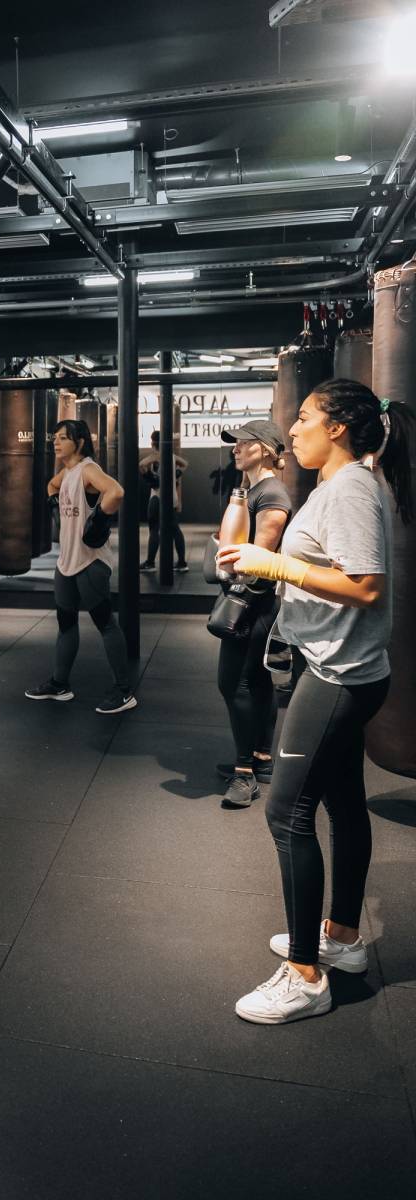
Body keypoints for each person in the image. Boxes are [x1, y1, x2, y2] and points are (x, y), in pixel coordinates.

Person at [217, 379, 413, 1024]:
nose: (292, 429)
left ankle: (305, 975)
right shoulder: (340, 486)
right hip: (339, 666)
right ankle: (344, 939)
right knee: (343, 802)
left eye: (302, 418)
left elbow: (365, 585)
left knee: (287, 814)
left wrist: (277, 568)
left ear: (336, 428)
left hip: (337, 674)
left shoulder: (352, 487)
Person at [25, 418, 136, 714]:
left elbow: (117, 492)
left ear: (81, 442)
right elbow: (51, 484)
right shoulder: (67, 472)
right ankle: (59, 684)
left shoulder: (88, 469)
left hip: (90, 562)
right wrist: (52, 503)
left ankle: (124, 691)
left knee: (105, 624)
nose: (56, 442)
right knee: (66, 624)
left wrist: (99, 519)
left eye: (63, 438)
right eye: (55, 438)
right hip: (66, 562)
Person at [213, 420, 292, 810]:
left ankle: (244, 775)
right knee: (256, 684)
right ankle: (260, 759)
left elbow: (255, 564)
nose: (235, 449)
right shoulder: (252, 490)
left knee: (234, 684)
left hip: (255, 604)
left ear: (263, 448)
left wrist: (227, 563)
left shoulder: (271, 493)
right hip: (253, 603)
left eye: (243, 443)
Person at [139, 430, 189, 572]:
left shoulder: (157, 455)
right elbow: (185, 463)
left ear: (153, 442)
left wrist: (150, 476)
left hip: (158, 497)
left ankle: (150, 563)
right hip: (171, 497)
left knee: (154, 530)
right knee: (175, 530)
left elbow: (141, 464)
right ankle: (182, 562)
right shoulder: (172, 456)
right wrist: (177, 474)